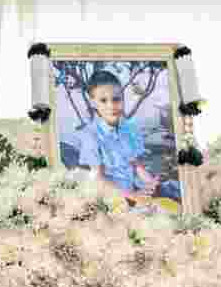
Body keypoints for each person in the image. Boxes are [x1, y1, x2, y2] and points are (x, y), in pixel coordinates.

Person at [76, 70, 181, 206]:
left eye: (116, 99)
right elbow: (99, 178)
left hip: (133, 192)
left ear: (122, 98)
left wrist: (150, 182)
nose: (111, 106)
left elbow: (135, 164)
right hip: (111, 199)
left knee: (173, 192)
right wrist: (134, 196)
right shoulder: (91, 135)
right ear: (93, 103)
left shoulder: (128, 128)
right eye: (103, 100)